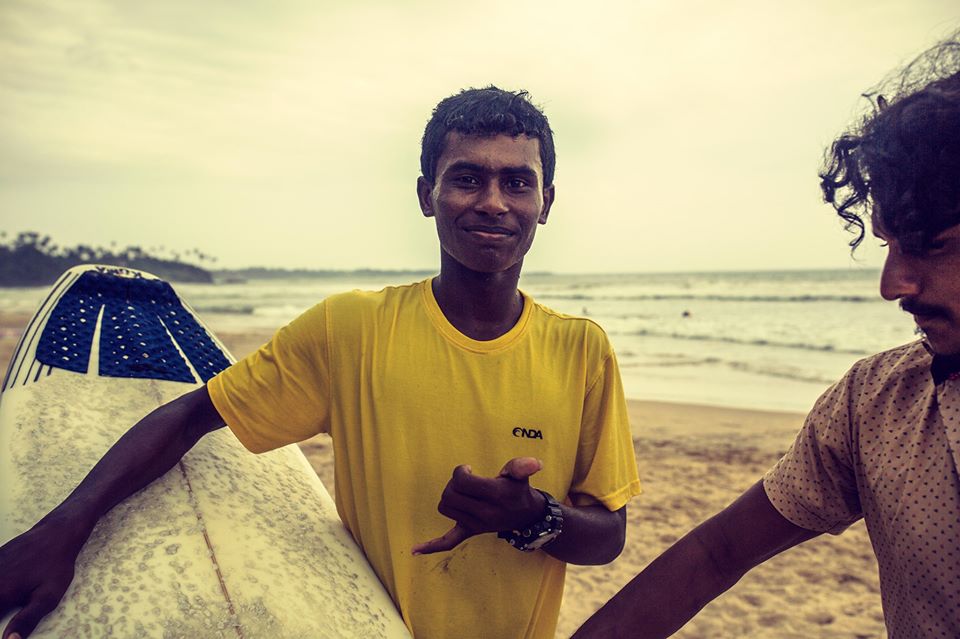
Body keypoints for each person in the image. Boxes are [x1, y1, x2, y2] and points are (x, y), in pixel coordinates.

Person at [0, 87, 641, 639]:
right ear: (428, 195)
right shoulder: (350, 330)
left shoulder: (581, 350)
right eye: (467, 178)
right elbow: (193, 414)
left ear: (545, 202)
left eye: (517, 182)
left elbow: (607, 536)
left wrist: (531, 517)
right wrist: (64, 529)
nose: (493, 202)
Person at [572, 31, 960, 639]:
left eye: (931, 245)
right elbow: (717, 553)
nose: (893, 284)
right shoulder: (875, 404)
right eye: (888, 244)